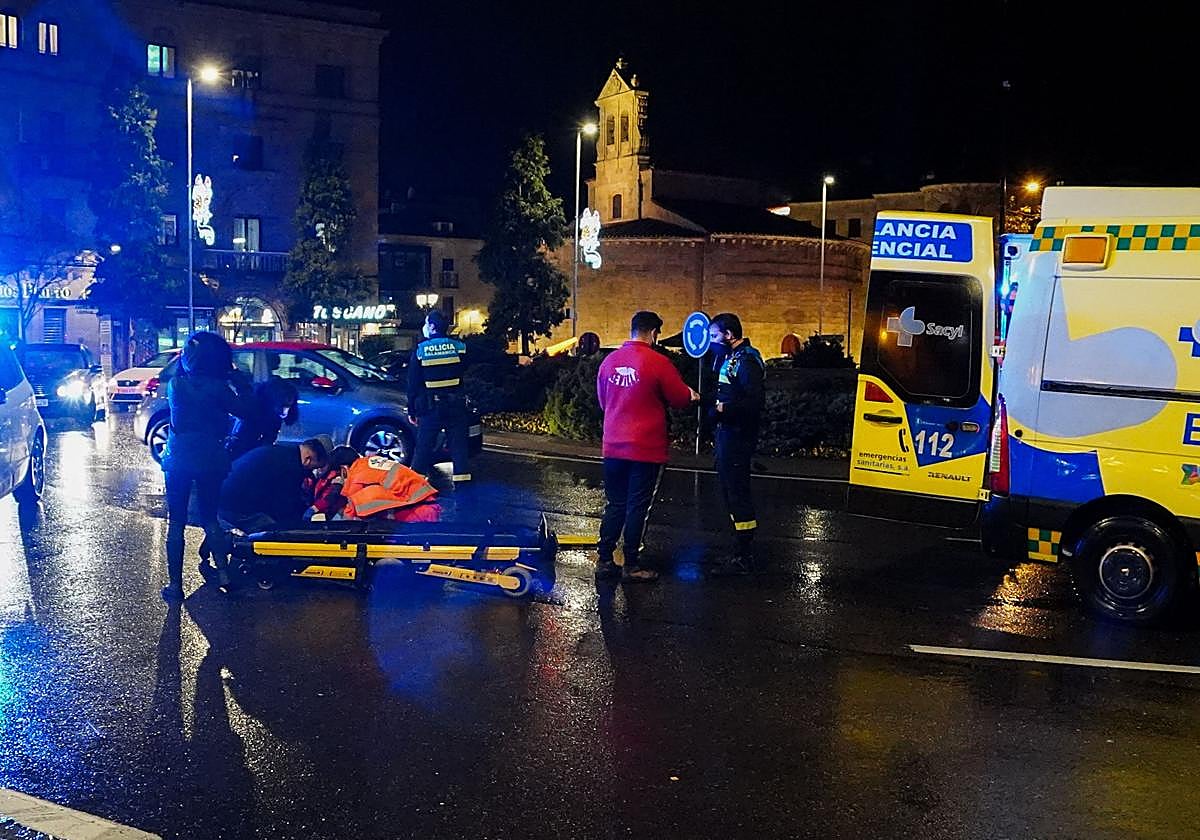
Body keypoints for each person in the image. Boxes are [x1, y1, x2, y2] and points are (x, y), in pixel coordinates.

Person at [595, 310, 698, 583]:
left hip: (613, 446)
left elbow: (604, 402)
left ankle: (604, 559)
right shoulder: (658, 362)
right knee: (638, 505)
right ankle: (631, 563)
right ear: (653, 333)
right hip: (645, 448)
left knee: (615, 503)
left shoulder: (609, 362)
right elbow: (678, 398)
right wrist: (691, 394)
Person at [160, 331, 254, 601]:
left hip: (178, 457)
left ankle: (176, 587)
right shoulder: (220, 389)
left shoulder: (176, 385)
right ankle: (223, 573)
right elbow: (245, 410)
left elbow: (183, 368)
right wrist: (239, 379)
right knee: (210, 517)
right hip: (211, 456)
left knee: (176, 521)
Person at [706, 312, 766, 576]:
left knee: (737, 492)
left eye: (714, 336)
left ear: (729, 335)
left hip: (738, 435)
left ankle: (744, 553)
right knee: (729, 492)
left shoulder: (747, 360)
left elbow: (753, 403)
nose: (711, 341)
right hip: (726, 433)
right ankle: (738, 549)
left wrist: (722, 409)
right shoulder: (730, 357)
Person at [408, 310, 471, 484]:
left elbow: (413, 384)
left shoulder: (421, 350)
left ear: (433, 326)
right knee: (459, 450)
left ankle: (414, 491)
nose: (425, 327)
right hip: (456, 407)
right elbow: (464, 370)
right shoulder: (459, 347)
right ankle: (463, 491)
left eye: (427, 323)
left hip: (431, 409)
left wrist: (412, 410)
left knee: (423, 450)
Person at [218, 439, 329, 534]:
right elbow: (285, 505)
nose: (312, 472)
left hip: (221, 493)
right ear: (308, 460)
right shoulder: (290, 468)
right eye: (313, 468)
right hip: (234, 506)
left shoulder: (280, 452)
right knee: (274, 533)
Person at [307, 447, 441, 522]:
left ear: (344, 468)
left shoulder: (357, 476)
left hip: (418, 513)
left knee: (362, 508)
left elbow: (350, 514)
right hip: (425, 503)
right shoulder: (368, 463)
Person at [225, 377, 299, 461]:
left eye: (288, 406)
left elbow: (268, 440)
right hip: (238, 449)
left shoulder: (274, 414)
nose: (284, 412)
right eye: (282, 406)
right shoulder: (253, 408)